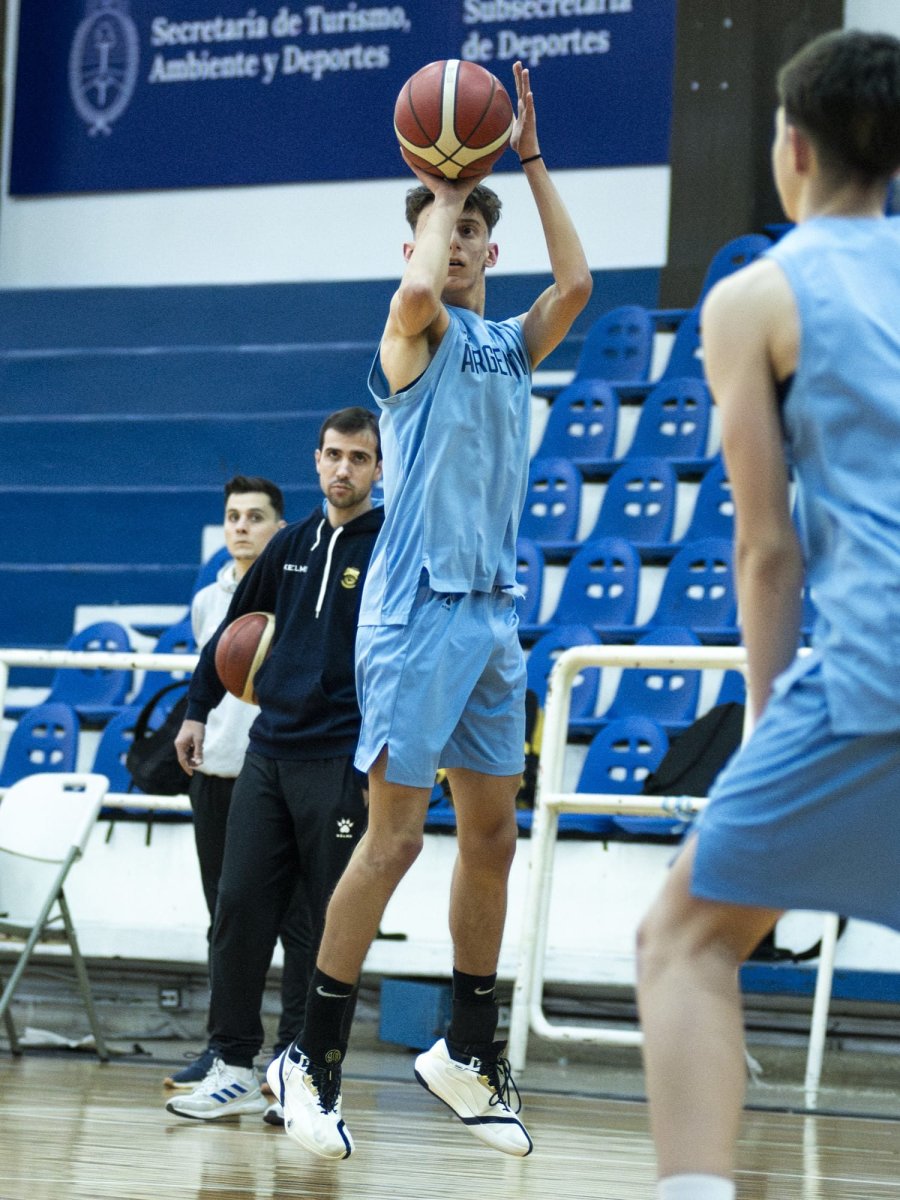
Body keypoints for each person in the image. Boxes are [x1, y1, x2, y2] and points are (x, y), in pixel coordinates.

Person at [266, 61, 591, 1161]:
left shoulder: (509, 344)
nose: (451, 245)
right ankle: (308, 1058)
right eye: (436, 233)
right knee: (397, 839)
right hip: (415, 618)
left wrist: (527, 161)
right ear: (415, 244)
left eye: (466, 234)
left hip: (494, 617)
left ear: (491, 252)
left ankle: (466, 1049)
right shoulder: (413, 338)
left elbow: (577, 285)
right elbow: (415, 294)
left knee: (492, 835)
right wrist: (444, 179)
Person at [635, 29, 900, 1200]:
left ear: (791, 149)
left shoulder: (754, 295)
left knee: (685, 940)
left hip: (872, 667)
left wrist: (764, 714)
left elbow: (765, 546)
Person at [165, 407, 384, 1125]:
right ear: (317, 460)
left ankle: (307, 1072)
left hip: (342, 759)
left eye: (358, 457)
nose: (343, 468)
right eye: (333, 455)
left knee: (326, 925)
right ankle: (231, 1064)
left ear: (379, 468)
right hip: (269, 752)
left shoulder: (391, 545)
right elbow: (231, 632)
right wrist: (197, 709)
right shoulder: (289, 544)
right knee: (238, 908)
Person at [163, 476, 289, 1096]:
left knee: (295, 919)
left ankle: (292, 1053)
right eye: (234, 516)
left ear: (279, 528)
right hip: (214, 774)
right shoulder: (207, 601)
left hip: (271, 776)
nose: (241, 526)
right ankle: (224, 1049)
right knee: (225, 919)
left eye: (255, 517)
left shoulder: (294, 595)